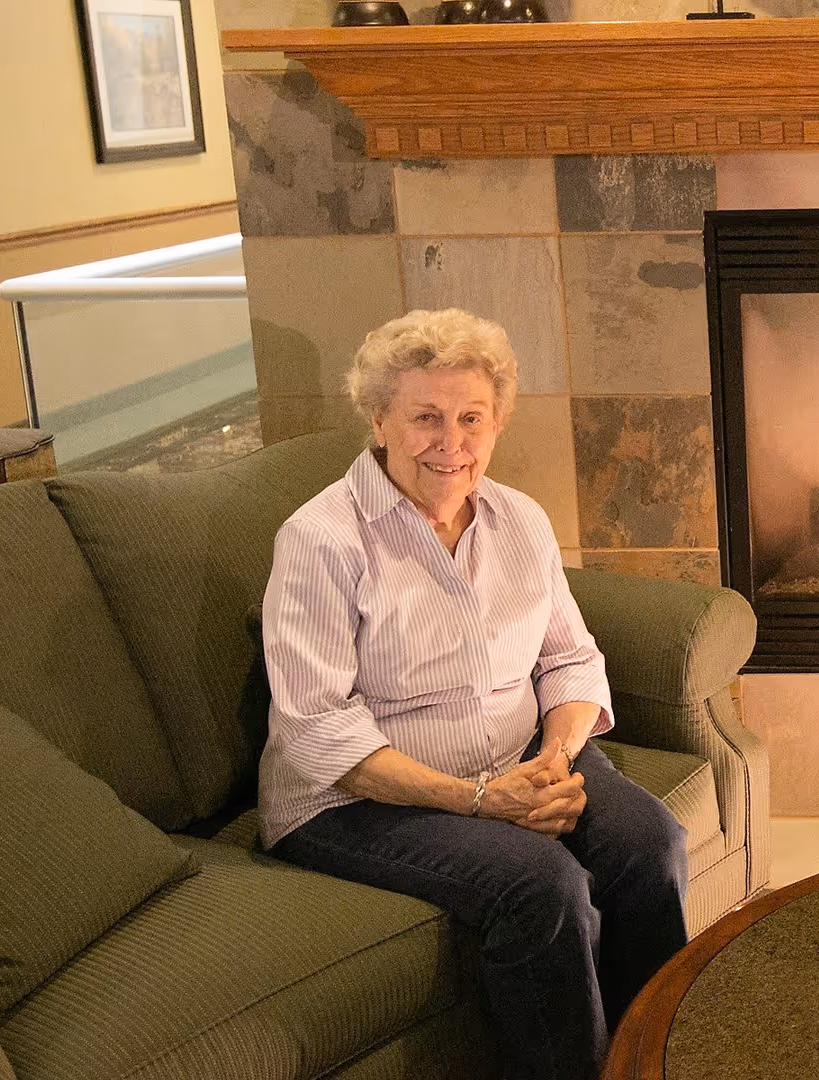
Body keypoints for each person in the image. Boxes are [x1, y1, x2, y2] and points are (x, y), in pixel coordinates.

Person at [257, 309, 688, 1080]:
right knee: (542, 886)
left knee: (650, 844)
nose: (450, 443)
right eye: (425, 418)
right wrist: (483, 801)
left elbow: (571, 661)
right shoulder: (322, 540)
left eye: (470, 419)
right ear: (380, 420)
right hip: (353, 801)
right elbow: (319, 732)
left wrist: (557, 758)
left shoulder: (518, 519)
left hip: (521, 759)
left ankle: (657, 1058)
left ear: (496, 426)